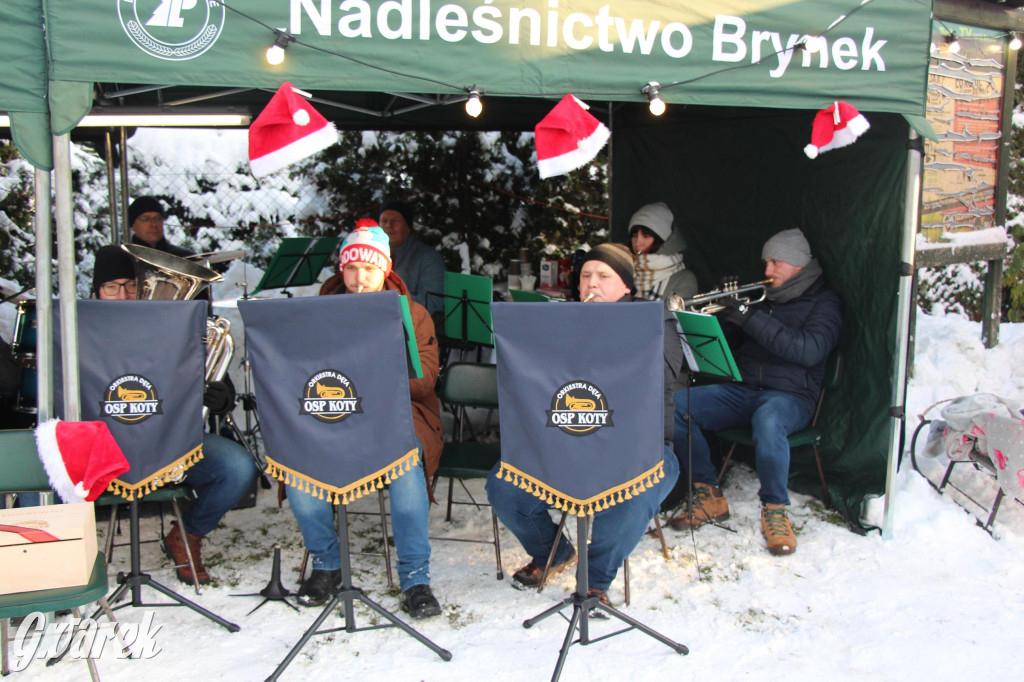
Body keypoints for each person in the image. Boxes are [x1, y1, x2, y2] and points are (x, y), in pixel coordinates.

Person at [485, 243, 682, 607]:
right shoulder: (559, 320)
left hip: (638, 450)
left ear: (626, 287)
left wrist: (601, 331)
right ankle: (554, 552)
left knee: (633, 499)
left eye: (604, 276)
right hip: (563, 445)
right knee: (504, 486)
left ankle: (595, 578)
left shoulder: (655, 320)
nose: (592, 284)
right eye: (586, 276)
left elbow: (662, 374)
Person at [290, 223, 444, 618]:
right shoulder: (315, 312)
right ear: (341, 270)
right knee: (297, 470)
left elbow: (425, 380)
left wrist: (375, 368)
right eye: (352, 268)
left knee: (408, 462)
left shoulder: (412, 313)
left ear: (386, 270)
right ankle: (327, 563)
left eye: (370, 269)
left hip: (396, 416)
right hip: (333, 415)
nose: (360, 279)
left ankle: (415, 577)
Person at [669, 228, 842, 556]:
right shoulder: (763, 301)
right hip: (745, 390)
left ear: (798, 264)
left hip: (791, 397)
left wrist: (749, 316)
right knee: (677, 405)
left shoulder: (825, 302)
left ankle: (775, 510)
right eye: (766, 263)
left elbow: (808, 351)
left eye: (775, 262)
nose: (766, 271)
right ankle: (709, 494)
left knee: (769, 419)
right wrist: (727, 315)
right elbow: (732, 345)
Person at [93, 245, 259, 584]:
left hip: (169, 445)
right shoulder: (82, 332)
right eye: (112, 287)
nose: (123, 295)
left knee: (237, 467)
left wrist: (221, 395)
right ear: (95, 291)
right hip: (103, 449)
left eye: (129, 285)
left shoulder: (171, 326)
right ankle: (63, 562)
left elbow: (219, 382)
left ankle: (186, 536)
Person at [378, 199, 445, 317]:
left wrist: (386, 307)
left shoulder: (428, 258)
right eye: (384, 221)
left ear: (408, 227)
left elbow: (432, 302)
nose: (389, 225)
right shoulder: (370, 257)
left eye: (395, 220)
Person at [628, 202, 698, 304]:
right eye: (634, 235)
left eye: (646, 236)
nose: (638, 242)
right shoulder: (625, 271)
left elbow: (674, 318)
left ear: (661, 238)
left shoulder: (684, 279)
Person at [128, 196, 194, 258]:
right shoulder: (123, 260)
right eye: (146, 219)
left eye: (158, 218)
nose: (153, 224)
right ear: (132, 225)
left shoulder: (185, 259)